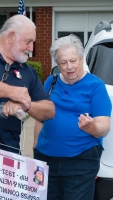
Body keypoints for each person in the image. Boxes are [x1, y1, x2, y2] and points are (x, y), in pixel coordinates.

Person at [33, 34, 112, 200]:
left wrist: (92, 127)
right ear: (58, 64)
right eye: (63, 62)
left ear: (82, 59)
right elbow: (40, 117)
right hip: (46, 160)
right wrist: (35, 148)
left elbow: (104, 125)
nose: (69, 66)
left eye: (73, 60)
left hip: (80, 162)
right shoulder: (51, 82)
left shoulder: (95, 86)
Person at [0, 14, 55, 154]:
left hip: (7, 163)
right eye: (28, 41)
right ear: (10, 37)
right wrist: (11, 91)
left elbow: (49, 110)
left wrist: (26, 104)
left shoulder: (28, 72)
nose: (32, 48)